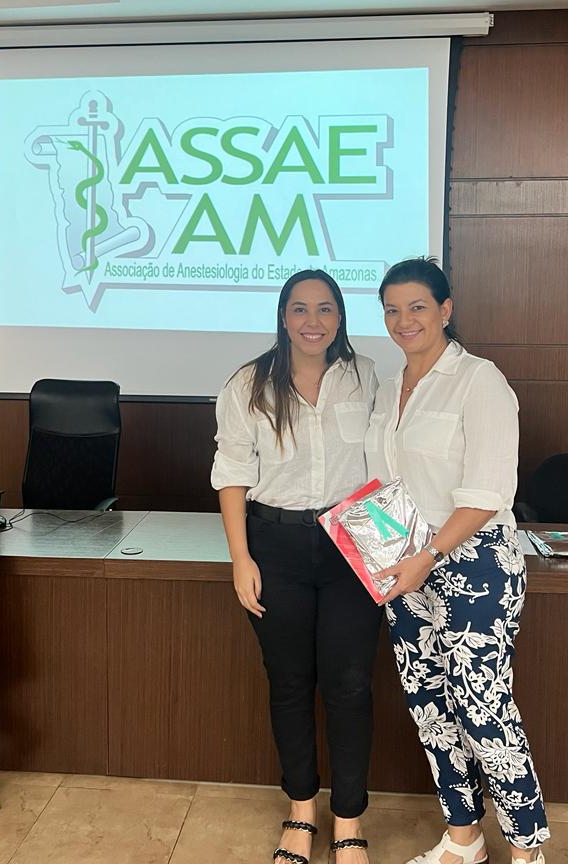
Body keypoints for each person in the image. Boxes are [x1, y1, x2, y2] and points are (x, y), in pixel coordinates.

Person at [366, 257, 550, 864]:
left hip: (475, 564)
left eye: (417, 307)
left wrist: (428, 555)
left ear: (445, 310)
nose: (404, 320)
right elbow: (384, 484)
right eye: (392, 310)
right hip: (405, 565)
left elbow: (488, 490)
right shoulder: (388, 387)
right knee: (431, 707)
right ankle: (464, 838)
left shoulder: (479, 380)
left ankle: (525, 847)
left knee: (483, 709)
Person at [212, 269, 381, 864]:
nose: (314, 321)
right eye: (301, 309)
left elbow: (384, 464)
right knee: (288, 683)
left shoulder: (365, 376)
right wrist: (241, 558)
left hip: (350, 543)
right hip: (274, 545)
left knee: (350, 685)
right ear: (283, 316)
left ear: (340, 316)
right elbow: (232, 473)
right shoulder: (248, 383)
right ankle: (302, 810)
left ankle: (348, 819)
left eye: (326, 308)